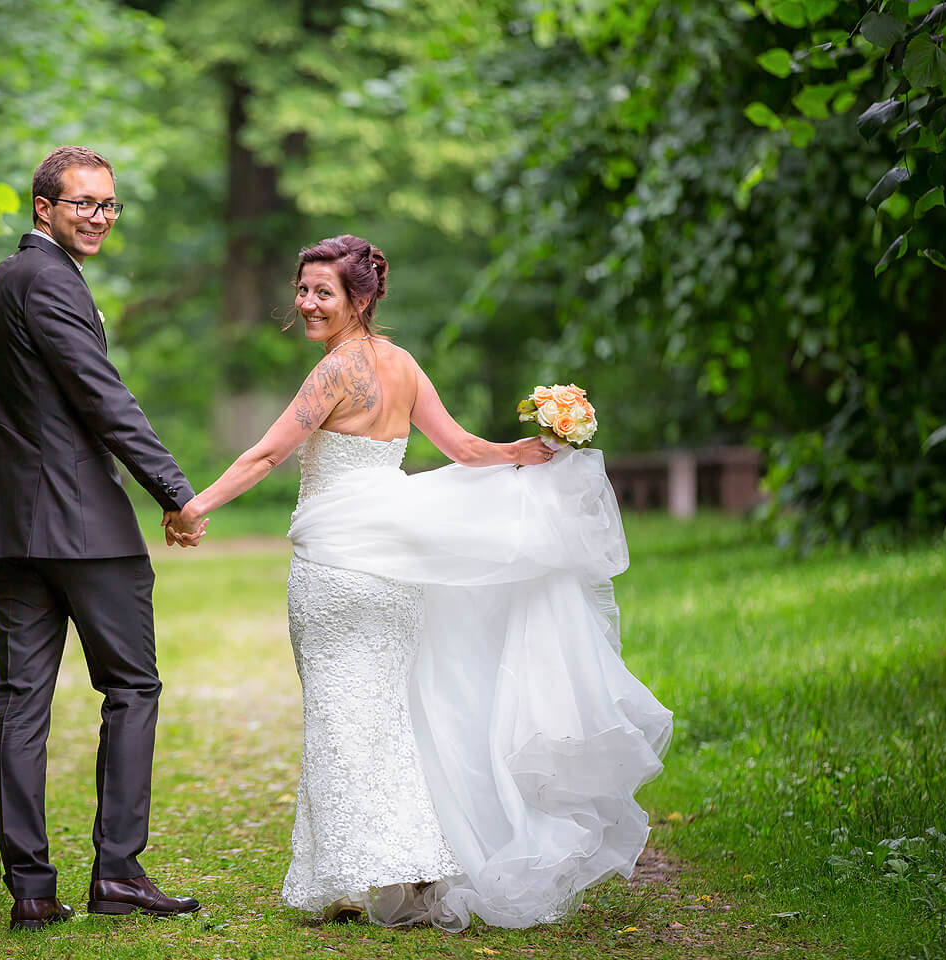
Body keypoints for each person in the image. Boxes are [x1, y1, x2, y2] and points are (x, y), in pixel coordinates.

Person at [167, 235, 672, 930]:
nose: (306, 303)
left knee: (340, 717)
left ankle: (349, 875)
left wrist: (196, 505)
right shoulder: (401, 365)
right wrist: (532, 455)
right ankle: (414, 865)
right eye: (303, 289)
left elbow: (269, 452)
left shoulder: (335, 373)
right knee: (391, 718)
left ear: (360, 300)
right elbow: (465, 450)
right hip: (395, 570)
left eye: (323, 292)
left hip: (336, 570)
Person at [0, 145, 204, 932]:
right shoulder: (50, 283)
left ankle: (32, 889)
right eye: (83, 204)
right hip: (83, 529)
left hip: (11, 530)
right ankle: (117, 871)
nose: (99, 218)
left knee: (20, 703)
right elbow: (103, 400)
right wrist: (174, 491)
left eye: (108, 205)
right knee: (132, 689)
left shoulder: (0, 284)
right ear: (44, 208)